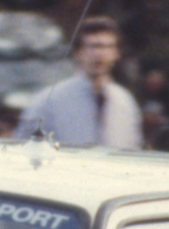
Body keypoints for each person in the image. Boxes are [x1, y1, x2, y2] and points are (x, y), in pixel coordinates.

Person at [14, 16, 140, 149]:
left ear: (117, 53)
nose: (99, 54)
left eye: (106, 47)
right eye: (92, 47)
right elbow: (24, 148)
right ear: (77, 53)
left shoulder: (125, 102)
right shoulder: (48, 101)